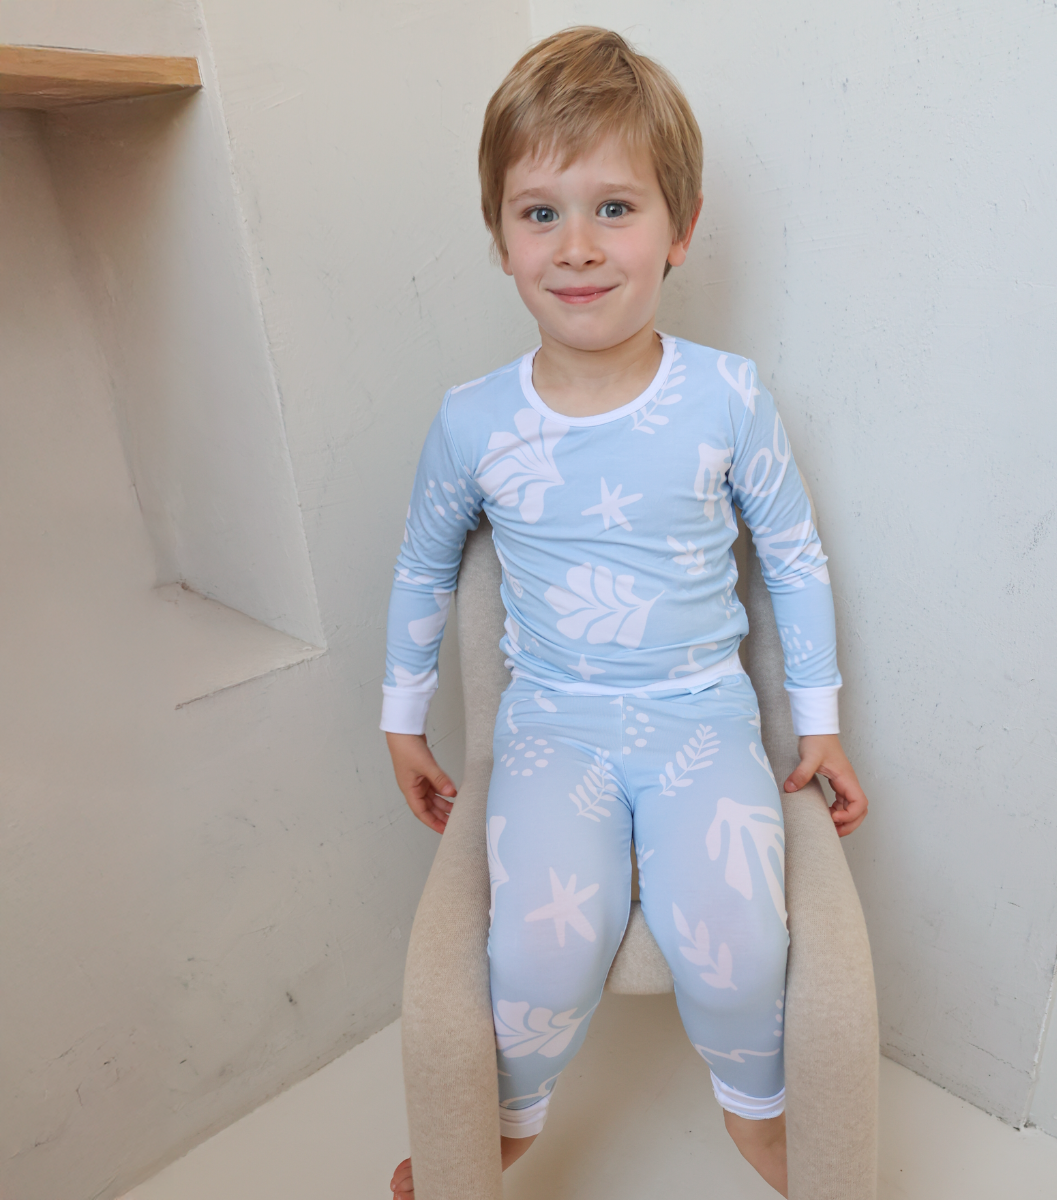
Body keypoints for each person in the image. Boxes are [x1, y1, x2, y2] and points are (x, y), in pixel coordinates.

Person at [384, 27, 868, 1198]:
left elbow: (793, 555)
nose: (579, 246)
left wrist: (819, 721)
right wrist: (403, 720)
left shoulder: (727, 396)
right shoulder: (473, 421)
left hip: (702, 712)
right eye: (540, 212)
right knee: (542, 940)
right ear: (500, 234)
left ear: (680, 228)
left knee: (742, 937)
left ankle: (759, 1120)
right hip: (554, 722)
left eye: (615, 208)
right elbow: (422, 568)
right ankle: (508, 1121)